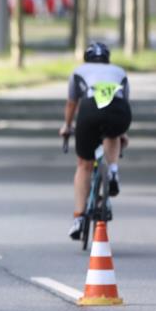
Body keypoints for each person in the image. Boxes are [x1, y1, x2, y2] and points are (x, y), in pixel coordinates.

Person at [59, 42, 132, 240]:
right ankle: (113, 172)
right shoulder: (119, 72)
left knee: (84, 164)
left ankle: (79, 218)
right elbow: (123, 101)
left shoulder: (79, 71)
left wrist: (67, 126)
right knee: (113, 133)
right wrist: (122, 132)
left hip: (90, 110)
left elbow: (71, 103)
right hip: (119, 111)